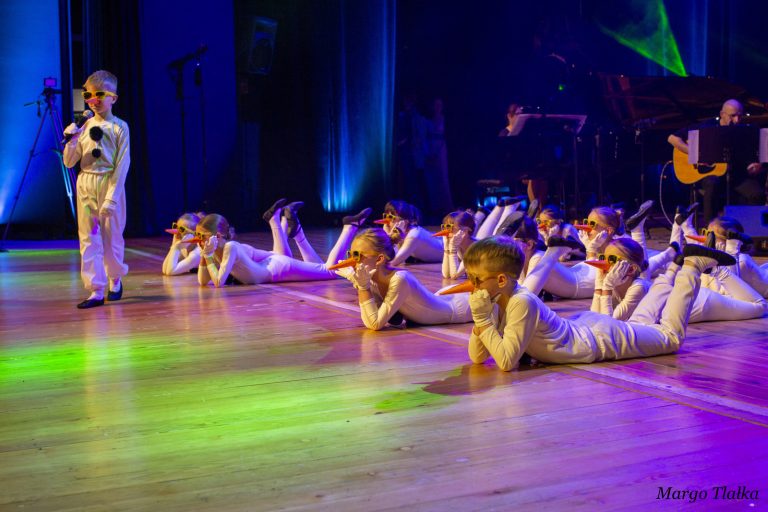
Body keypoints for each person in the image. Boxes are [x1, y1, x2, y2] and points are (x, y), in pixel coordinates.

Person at [463, 236, 736, 371]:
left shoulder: (521, 302)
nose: (472, 284)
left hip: (598, 339)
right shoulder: (498, 298)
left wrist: (483, 319)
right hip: (590, 330)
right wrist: (482, 320)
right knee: (641, 325)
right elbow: (478, 357)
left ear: (501, 279)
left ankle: (691, 266)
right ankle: (675, 267)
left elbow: (506, 362)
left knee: (669, 337)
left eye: (476, 279)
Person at [63, 70, 130, 309]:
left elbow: (122, 163)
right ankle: (96, 289)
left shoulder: (120, 127)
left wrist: (112, 198)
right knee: (88, 237)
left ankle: (115, 279)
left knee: (112, 237)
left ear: (113, 98)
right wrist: (72, 140)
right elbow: (69, 162)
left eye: (100, 94)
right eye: (89, 95)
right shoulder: (83, 127)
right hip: (86, 185)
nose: (94, 100)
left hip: (109, 183)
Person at [196, 200, 370, 287]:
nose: (198, 240)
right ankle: (281, 222)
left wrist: (208, 255)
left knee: (330, 271)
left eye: (201, 236)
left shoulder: (230, 247)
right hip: (274, 264)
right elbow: (203, 281)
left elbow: (218, 282)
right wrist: (205, 256)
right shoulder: (219, 249)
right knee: (319, 268)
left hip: (277, 269)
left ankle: (349, 227)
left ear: (218, 235)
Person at [341, 227, 472, 331]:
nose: (351, 260)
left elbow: (374, 324)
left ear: (379, 259)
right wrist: (360, 284)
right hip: (442, 299)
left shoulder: (400, 279)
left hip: (461, 309)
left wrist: (363, 288)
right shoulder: (371, 278)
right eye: (350, 254)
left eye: (357, 255)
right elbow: (389, 319)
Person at [667, 99, 764, 222]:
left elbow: (753, 154)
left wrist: (757, 164)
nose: (737, 120)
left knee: (757, 193)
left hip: (735, 175)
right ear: (722, 114)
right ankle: (711, 228)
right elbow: (672, 138)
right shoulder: (707, 126)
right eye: (733, 116)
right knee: (712, 184)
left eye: (740, 116)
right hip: (709, 175)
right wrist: (696, 154)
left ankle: (750, 230)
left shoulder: (744, 130)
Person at [498, 103, 547, 211]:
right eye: (518, 114)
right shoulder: (504, 133)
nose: (520, 117)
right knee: (533, 177)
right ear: (509, 116)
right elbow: (504, 158)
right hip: (510, 168)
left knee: (541, 176)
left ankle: (541, 209)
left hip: (523, 166)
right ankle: (536, 211)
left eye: (522, 114)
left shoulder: (524, 133)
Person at [424, 98, 453, 218]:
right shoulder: (428, 120)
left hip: (440, 148)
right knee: (432, 178)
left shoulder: (443, 119)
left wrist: (437, 149)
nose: (437, 107)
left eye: (439, 105)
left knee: (442, 177)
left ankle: (446, 206)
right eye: (435, 105)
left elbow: (443, 135)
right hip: (430, 148)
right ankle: (435, 206)